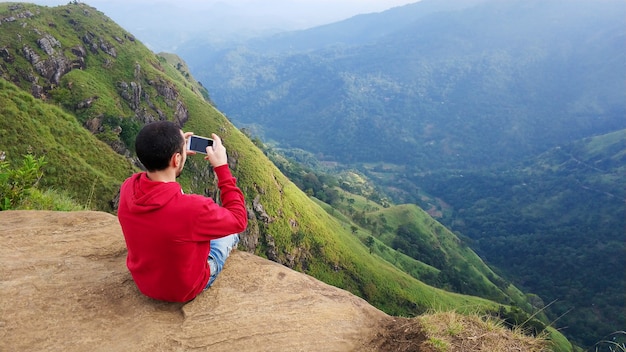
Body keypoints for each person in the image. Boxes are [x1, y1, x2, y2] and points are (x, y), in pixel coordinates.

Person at [117, 121, 247, 302]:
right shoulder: (193, 209)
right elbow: (239, 220)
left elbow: (162, 197)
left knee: (188, 227)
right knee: (228, 235)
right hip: (184, 289)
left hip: (144, 282)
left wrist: (176, 152)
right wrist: (222, 168)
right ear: (176, 159)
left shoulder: (128, 188)